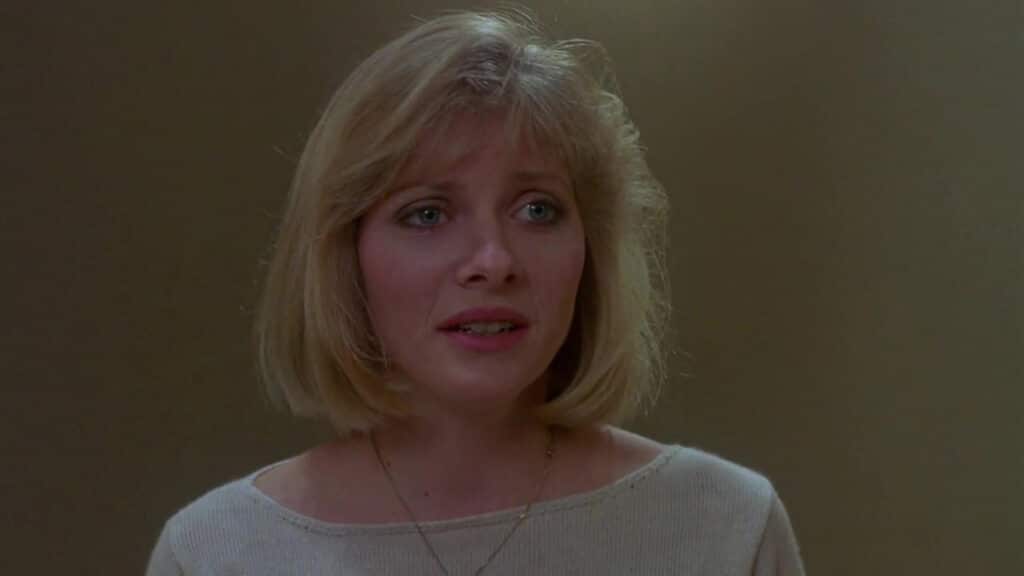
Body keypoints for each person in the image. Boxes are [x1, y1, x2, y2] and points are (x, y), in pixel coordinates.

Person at [146, 9, 805, 576]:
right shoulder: (215, 553)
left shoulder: (724, 527)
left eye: (537, 210)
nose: (493, 262)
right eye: (427, 214)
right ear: (346, 256)